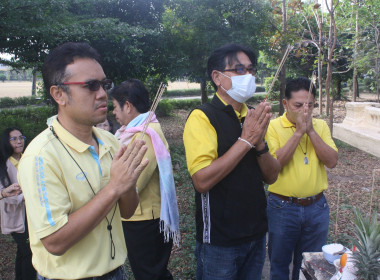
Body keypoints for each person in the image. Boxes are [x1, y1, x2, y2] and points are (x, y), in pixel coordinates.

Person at [17, 42, 149, 280]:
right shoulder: (41, 156)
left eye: (104, 84)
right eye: (90, 86)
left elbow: (127, 212)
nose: (102, 94)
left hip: (117, 272)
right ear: (59, 94)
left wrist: (128, 181)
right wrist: (115, 187)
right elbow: (55, 242)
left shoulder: (110, 141)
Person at [183, 43, 281, 280]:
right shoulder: (203, 116)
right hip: (220, 239)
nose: (248, 76)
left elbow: (271, 176)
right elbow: (202, 181)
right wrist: (246, 140)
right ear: (217, 77)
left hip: (256, 233)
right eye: (238, 69)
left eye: (251, 69)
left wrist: (259, 144)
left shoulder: (253, 116)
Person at [265, 77, 338, 280]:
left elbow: (332, 161)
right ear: (285, 104)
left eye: (310, 106)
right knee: (279, 264)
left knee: (311, 265)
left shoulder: (320, 126)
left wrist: (311, 131)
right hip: (282, 207)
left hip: (317, 207)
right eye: (298, 105)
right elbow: (274, 164)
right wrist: (298, 133)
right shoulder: (272, 127)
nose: (305, 111)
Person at [110, 79, 180, 280]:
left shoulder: (147, 134)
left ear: (128, 106)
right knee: (151, 273)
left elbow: (133, 181)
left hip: (144, 219)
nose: (113, 112)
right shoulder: (132, 132)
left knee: (150, 274)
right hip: (140, 217)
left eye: (115, 107)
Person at [0, 127, 36, 280]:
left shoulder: (28, 158)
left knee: (23, 252)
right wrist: (26, 197)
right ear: (6, 142)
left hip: (31, 213)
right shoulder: (4, 165)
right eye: (13, 139)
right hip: (16, 216)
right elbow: (6, 193)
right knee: (29, 251)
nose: (19, 141)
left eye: (21, 137)